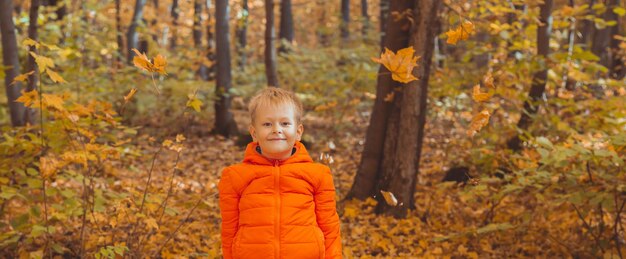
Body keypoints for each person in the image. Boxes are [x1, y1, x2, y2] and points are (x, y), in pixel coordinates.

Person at [218, 87, 342, 259]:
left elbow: (330, 228)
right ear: (254, 133)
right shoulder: (234, 176)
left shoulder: (318, 175)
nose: (276, 129)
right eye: (267, 124)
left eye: (285, 123)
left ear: (298, 132)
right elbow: (229, 230)